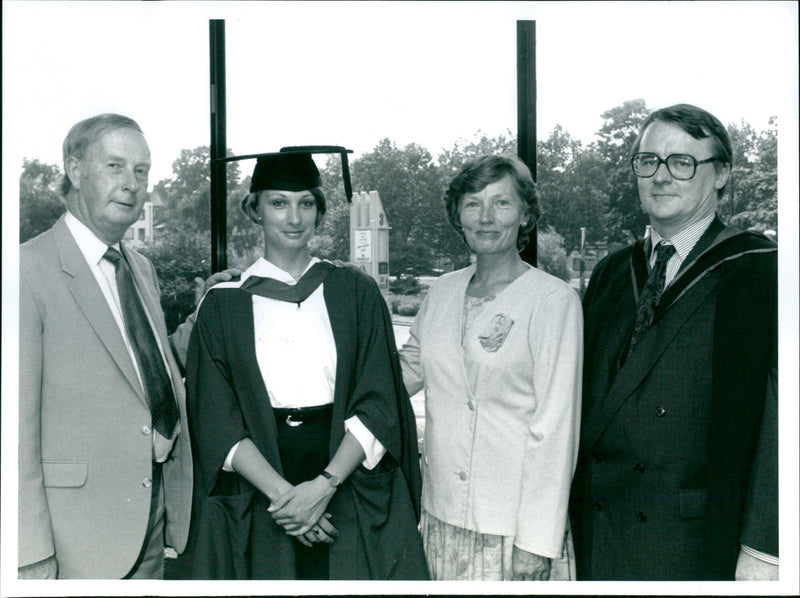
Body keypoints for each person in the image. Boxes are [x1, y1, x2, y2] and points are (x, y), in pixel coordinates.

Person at [182, 148, 428, 580]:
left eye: (306, 203)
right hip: (261, 486)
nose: (294, 217)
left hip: (346, 476)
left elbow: (380, 398)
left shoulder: (355, 292)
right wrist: (287, 499)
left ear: (319, 210)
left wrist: (323, 488)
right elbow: (214, 416)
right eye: (278, 202)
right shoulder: (222, 305)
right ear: (254, 209)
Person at [18, 113, 237, 579]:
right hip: (73, 541)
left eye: (142, 171)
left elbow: (143, 373)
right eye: (115, 167)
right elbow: (12, 435)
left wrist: (207, 313)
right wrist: (28, 554)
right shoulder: (25, 271)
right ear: (75, 171)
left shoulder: (138, 267)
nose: (132, 184)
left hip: (150, 520)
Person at [569, 104, 778, 581]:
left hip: (696, 538)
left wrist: (767, 548)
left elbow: (786, 417)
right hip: (598, 530)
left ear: (721, 173)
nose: (661, 176)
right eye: (648, 161)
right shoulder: (610, 273)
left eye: (682, 162)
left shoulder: (761, 271)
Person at [399, 154, 582, 581]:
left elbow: (556, 428)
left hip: (514, 530)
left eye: (501, 203)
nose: (486, 217)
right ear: (457, 214)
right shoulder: (442, 292)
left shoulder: (553, 302)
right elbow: (406, 369)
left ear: (525, 215)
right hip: (441, 516)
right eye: (472, 203)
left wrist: (536, 543)